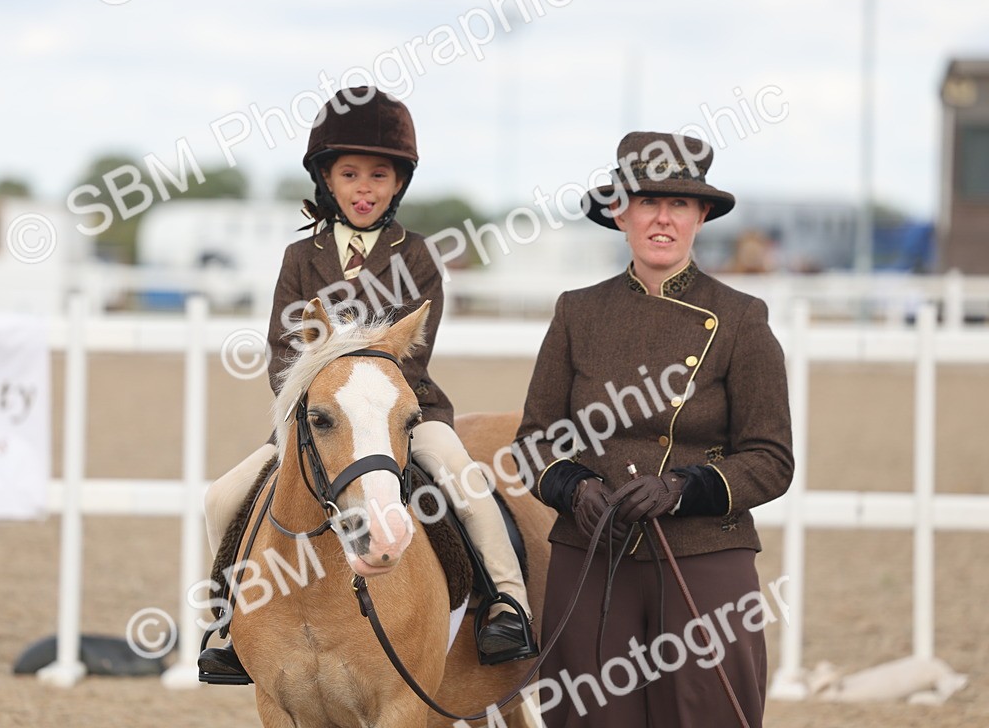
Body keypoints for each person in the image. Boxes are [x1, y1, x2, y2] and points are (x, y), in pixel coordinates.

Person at [198, 87, 537, 684]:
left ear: (398, 183)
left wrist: (353, 372)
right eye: (350, 173)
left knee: (465, 483)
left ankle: (507, 604)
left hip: (405, 413)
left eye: (378, 175)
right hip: (318, 419)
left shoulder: (421, 256)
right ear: (326, 178)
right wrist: (315, 401)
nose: (363, 187)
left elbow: (413, 351)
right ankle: (232, 622)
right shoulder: (300, 257)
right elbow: (284, 350)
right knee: (223, 496)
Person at [513, 131, 793, 726]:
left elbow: (771, 458)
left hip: (703, 555)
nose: (662, 219)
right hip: (590, 555)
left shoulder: (742, 319)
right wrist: (575, 488)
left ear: (701, 216)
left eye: (679, 205)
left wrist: (684, 487)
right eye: (647, 202)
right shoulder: (576, 312)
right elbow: (535, 440)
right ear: (620, 213)